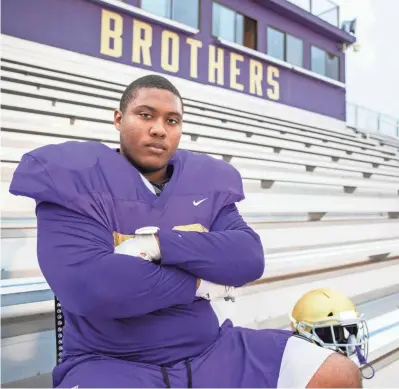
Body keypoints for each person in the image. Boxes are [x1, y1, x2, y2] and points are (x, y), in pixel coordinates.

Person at [9, 75, 362, 388]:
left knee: (339, 374)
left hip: (209, 351)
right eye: (145, 115)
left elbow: (247, 257)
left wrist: (158, 245)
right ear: (119, 119)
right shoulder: (75, 176)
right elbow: (94, 288)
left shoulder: (205, 182)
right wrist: (202, 282)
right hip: (113, 361)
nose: (159, 129)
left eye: (172, 120)